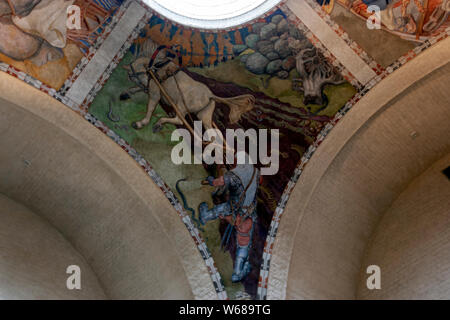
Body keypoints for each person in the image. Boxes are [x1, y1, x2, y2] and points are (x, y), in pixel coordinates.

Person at [199, 152, 260, 282]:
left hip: (234, 208)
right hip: (249, 212)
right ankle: (237, 273)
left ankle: (205, 216)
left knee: (220, 209)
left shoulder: (233, 175)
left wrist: (210, 180)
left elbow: (218, 182)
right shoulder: (256, 172)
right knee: (244, 242)